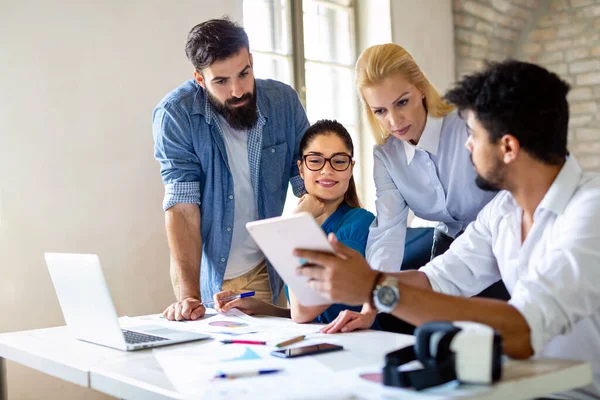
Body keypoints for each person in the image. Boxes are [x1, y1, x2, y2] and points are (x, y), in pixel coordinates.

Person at [294, 60, 600, 399]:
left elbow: (523, 328)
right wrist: (366, 285)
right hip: (522, 386)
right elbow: (440, 277)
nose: (467, 146)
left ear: (508, 148)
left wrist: (377, 288)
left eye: (473, 135)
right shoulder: (502, 211)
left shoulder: (591, 210)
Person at [340, 43, 508, 333]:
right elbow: (388, 232)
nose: (394, 121)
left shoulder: (466, 125)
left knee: (501, 340)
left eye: (402, 102)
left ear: (420, 88)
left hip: (501, 241)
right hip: (447, 248)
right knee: (442, 341)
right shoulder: (387, 156)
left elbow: (512, 190)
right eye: (379, 110)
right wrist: (370, 304)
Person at [152, 18, 309, 321]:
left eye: (244, 74)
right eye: (221, 81)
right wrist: (189, 296)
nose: (237, 90)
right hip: (206, 272)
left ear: (251, 60)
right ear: (200, 79)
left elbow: (310, 184)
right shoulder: (175, 115)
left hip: (265, 267)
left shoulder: (284, 103)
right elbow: (182, 209)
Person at [214, 120, 379, 333]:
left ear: (350, 168)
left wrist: (297, 221)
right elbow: (305, 314)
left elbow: (305, 312)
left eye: (338, 161)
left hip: (358, 344)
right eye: (315, 161)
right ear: (301, 169)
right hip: (319, 341)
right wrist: (259, 308)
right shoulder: (307, 224)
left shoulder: (360, 224)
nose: (327, 170)